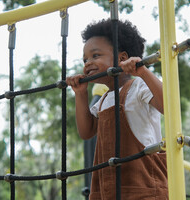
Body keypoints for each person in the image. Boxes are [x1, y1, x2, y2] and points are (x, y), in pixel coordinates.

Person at [66, 19, 168, 199]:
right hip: (109, 190)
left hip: (143, 186)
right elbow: (87, 131)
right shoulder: (104, 99)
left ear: (122, 58)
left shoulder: (139, 87)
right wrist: (81, 94)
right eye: (85, 59)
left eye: (95, 55)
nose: (88, 62)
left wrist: (142, 71)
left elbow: (168, 106)